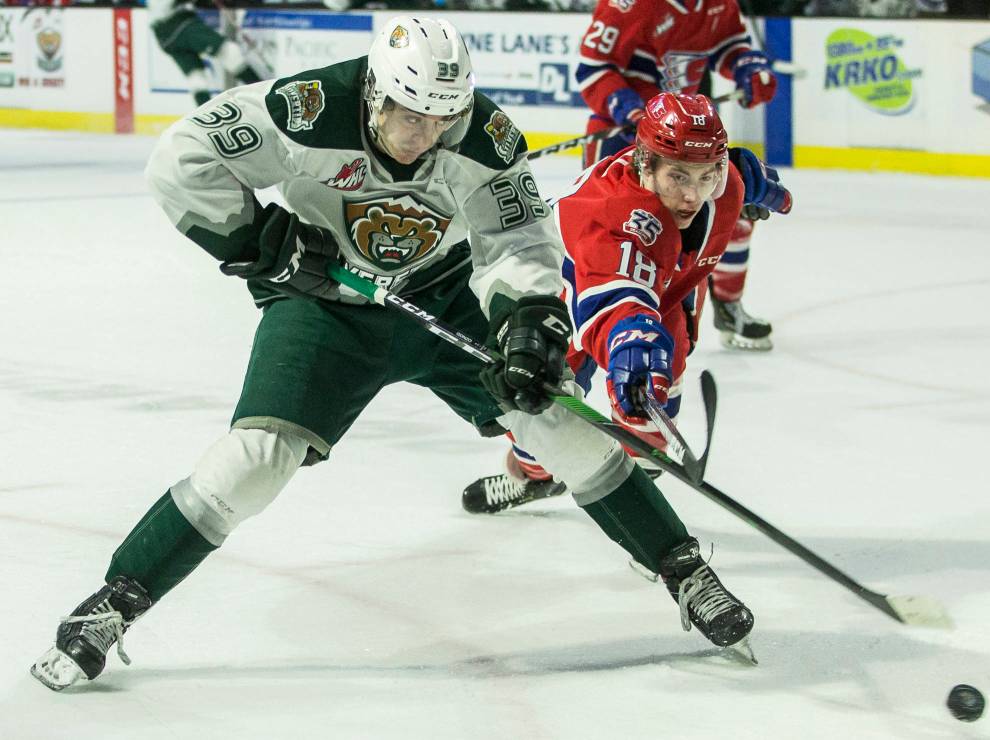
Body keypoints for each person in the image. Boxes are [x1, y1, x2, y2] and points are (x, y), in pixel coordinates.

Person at [30, 16, 756, 692]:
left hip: (443, 295)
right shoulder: (309, 107)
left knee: (556, 423)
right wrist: (264, 245)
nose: (426, 134)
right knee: (256, 459)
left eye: (442, 118)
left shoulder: (484, 136)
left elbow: (518, 243)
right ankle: (117, 600)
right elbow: (181, 157)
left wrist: (529, 326)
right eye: (411, 117)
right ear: (376, 90)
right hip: (323, 309)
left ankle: (685, 571)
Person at [462, 92, 791, 515]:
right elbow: (613, 294)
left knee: (652, 407)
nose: (693, 195)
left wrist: (759, 184)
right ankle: (533, 477)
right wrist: (630, 339)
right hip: (569, 294)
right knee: (542, 413)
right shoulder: (608, 212)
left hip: (662, 298)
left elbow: (738, 171)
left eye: (706, 176)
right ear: (644, 161)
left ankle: (643, 507)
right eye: (678, 177)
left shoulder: (727, 178)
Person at [576, 0, 779, 351]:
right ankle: (602, 323)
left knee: (734, 214)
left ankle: (728, 309)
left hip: (691, 145)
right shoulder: (629, 5)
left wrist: (747, 66)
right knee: (624, 239)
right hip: (626, 145)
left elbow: (730, 44)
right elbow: (593, 68)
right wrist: (628, 109)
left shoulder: (718, 4)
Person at [148, 0, 262, 108]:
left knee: (196, 77)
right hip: (179, 23)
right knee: (229, 51)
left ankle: (206, 119)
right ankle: (263, 94)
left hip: (163, 35)